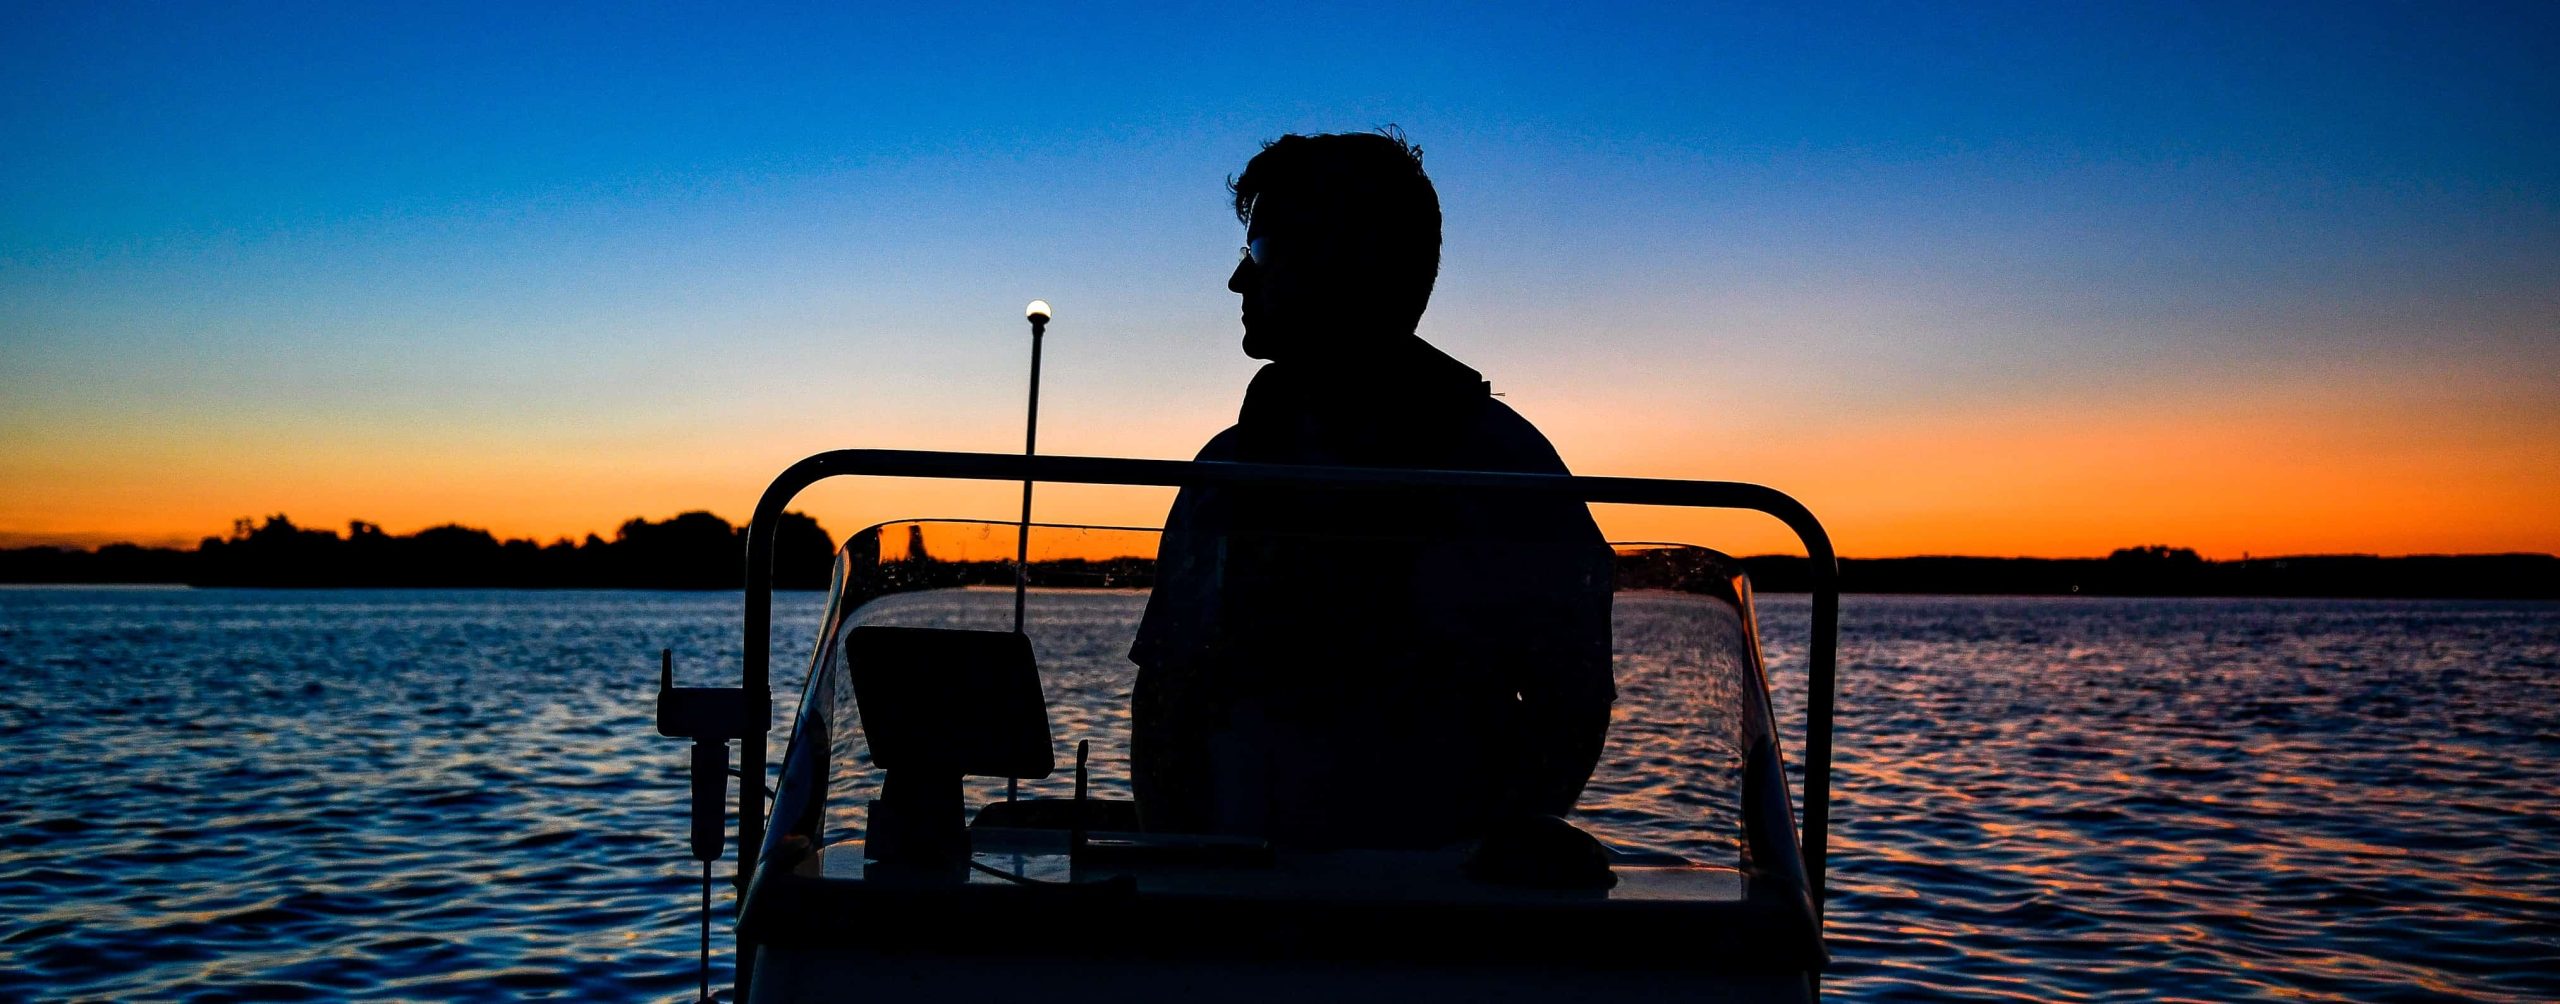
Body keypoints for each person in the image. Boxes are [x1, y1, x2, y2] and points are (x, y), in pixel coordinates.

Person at [1129, 130, 1615, 849]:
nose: (1238, 282)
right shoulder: (1222, 472)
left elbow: (1569, 705)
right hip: (1236, 906)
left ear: (1345, 265)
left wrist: (1478, 870)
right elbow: (1167, 696)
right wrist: (1182, 867)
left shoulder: (1502, 474)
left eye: (1259, 254)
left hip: (1428, 922)